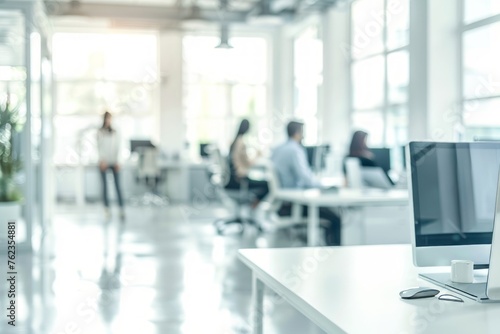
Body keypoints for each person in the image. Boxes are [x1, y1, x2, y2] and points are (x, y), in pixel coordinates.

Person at [271, 121, 341, 246]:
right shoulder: (295, 150)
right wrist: (323, 186)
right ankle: (336, 254)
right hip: (295, 203)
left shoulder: (277, 149)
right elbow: (305, 178)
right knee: (335, 218)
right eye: (303, 132)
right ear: (298, 133)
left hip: (282, 202)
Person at [225, 119, 269, 207]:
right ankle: (253, 206)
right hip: (240, 180)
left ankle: (252, 206)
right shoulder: (241, 143)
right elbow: (248, 163)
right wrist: (257, 155)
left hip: (233, 179)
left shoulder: (234, 142)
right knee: (267, 185)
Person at [97, 111, 125, 220]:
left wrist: (118, 161)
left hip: (114, 162)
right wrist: (102, 160)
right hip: (104, 162)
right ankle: (106, 209)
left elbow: (119, 147)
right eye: (106, 118)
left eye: (109, 118)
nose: (108, 120)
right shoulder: (100, 132)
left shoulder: (115, 132)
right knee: (105, 187)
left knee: (118, 186)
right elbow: (99, 148)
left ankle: (121, 209)